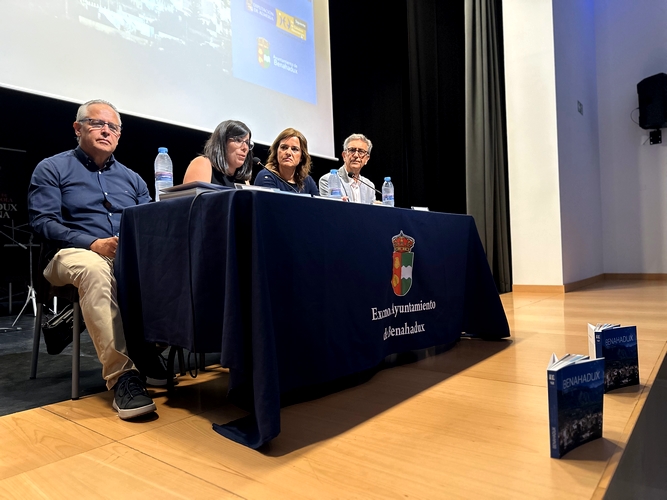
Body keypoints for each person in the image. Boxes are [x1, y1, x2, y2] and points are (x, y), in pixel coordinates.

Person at [28, 99, 159, 420]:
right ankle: (122, 377)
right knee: (95, 268)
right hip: (67, 255)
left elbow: (148, 224)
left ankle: (149, 351)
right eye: (97, 123)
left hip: (122, 257)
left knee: (170, 268)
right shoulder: (52, 168)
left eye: (113, 127)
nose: (105, 131)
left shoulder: (133, 179)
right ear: (78, 128)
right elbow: (43, 222)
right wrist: (93, 243)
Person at [183, 120, 254, 187]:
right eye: (238, 140)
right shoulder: (203, 164)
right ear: (222, 142)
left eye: (247, 143)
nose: (245, 148)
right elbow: (194, 196)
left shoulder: (244, 180)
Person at [254, 128, 319, 195]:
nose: (288, 152)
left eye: (294, 149)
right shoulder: (266, 176)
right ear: (276, 152)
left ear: (302, 157)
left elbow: (318, 201)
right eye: (284, 147)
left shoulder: (307, 181)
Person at [319, 133, 376, 204]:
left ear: (366, 159)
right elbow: (329, 208)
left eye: (361, 152)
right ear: (344, 156)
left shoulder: (369, 186)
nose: (356, 155)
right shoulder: (327, 180)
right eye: (352, 150)